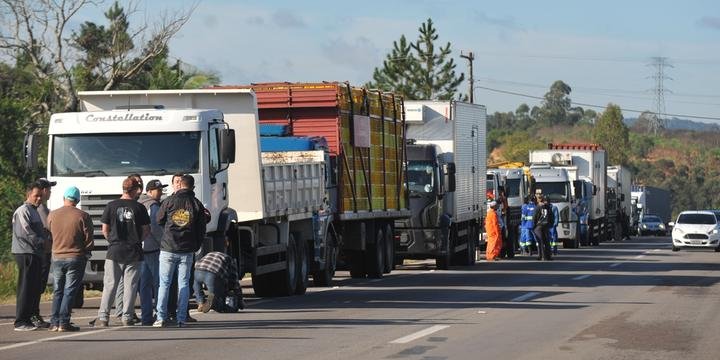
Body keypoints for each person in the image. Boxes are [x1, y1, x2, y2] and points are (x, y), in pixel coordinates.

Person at [94, 178, 149, 327]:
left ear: (123, 189)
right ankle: (127, 316)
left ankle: (104, 317)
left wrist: (112, 241)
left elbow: (104, 229)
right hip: (134, 251)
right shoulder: (140, 208)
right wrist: (137, 240)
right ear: (135, 190)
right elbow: (146, 230)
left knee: (110, 285)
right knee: (130, 285)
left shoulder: (111, 206)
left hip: (114, 250)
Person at [154, 175, 207, 328]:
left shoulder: (169, 201)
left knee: (164, 283)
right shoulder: (196, 204)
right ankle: (182, 317)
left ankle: (161, 317)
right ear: (192, 187)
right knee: (183, 284)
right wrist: (196, 245)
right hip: (187, 249)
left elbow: (159, 220)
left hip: (168, 248)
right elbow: (201, 229)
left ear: (180, 185)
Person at [47, 186, 93, 332]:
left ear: (64, 198)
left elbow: (47, 235)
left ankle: (54, 322)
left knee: (58, 290)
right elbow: (89, 239)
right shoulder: (83, 216)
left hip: (57, 256)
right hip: (76, 257)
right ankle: (64, 322)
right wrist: (87, 253)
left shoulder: (52, 215)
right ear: (78, 200)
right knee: (69, 290)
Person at [12, 182, 48, 331]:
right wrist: (42, 242)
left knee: (34, 288)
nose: (39, 198)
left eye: (40, 195)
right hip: (25, 253)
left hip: (35, 253)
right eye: (36, 196)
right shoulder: (23, 210)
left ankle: (31, 317)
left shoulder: (34, 210)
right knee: (25, 288)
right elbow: (24, 233)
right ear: (28, 195)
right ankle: (21, 321)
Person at [113, 174, 144, 323]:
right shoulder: (121, 204)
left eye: (140, 183)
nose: (139, 187)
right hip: (124, 249)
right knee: (123, 283)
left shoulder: (138, 204)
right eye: (137, 184)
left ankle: (127, 311)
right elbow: (107, 229)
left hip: (130, 248)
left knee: (129, 283)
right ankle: (123, 312)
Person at [138, 179, 166, 326]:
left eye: (161, 189)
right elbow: (155, 227)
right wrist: (163, 243)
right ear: (149, 192)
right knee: (158, 283)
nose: (160, 192)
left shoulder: (138, 203)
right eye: (158, 189)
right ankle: (160, 314)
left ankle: (146, 316)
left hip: (140, 248)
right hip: (152, 248)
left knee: (144, 284)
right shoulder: (153, 205)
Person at [32, 178, 56, 329]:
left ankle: (35, 313)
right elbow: (46, 230)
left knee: (39, 285)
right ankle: (33, 314)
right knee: (37, 285)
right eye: (49, 189)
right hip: (41, 253)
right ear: (44, 190)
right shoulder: (40, 209)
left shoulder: (44, 208)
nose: (50, 192)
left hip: (45, 252)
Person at [533, 194, 555, 261]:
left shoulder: (537, 207)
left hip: (539, 226)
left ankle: (542, 256)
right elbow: (551, 216)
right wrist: (550, 224)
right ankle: (548, 256)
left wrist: (534, 226)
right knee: (547, 241)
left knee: (540, 241)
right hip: (546, 226)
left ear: (539, 200)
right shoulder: (548, 207)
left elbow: (535, 217)